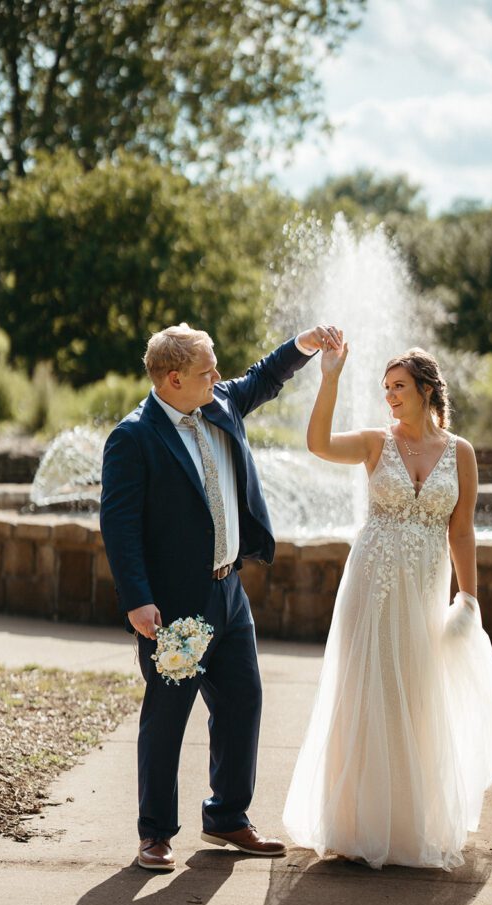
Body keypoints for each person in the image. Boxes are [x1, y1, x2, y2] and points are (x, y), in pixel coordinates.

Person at [100, 321, 341, 871]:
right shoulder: (133, 437)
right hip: (176, 609)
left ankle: (228, 817)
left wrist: (302, 346)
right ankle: (155, 833)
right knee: (168, 717)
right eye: (208, 370)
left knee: (242, 704)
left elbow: (263, 377)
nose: (219, 376)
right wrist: (137, 599)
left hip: (229, 592)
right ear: (174, 377)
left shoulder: (220, 402)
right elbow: (120, 526)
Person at [283, 338, 492, 869]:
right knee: (367, 688)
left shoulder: (461, 453)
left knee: (414, 692)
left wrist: (469, 598)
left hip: (426, 588)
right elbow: (317, 443)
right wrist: (331, 377)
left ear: (427, 391)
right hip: (371, 582)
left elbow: (463, 532)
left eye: (400, 387)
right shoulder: (373, 443)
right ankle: (358, 822)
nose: (390, 396)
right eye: (386, 388)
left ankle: (408, 822)